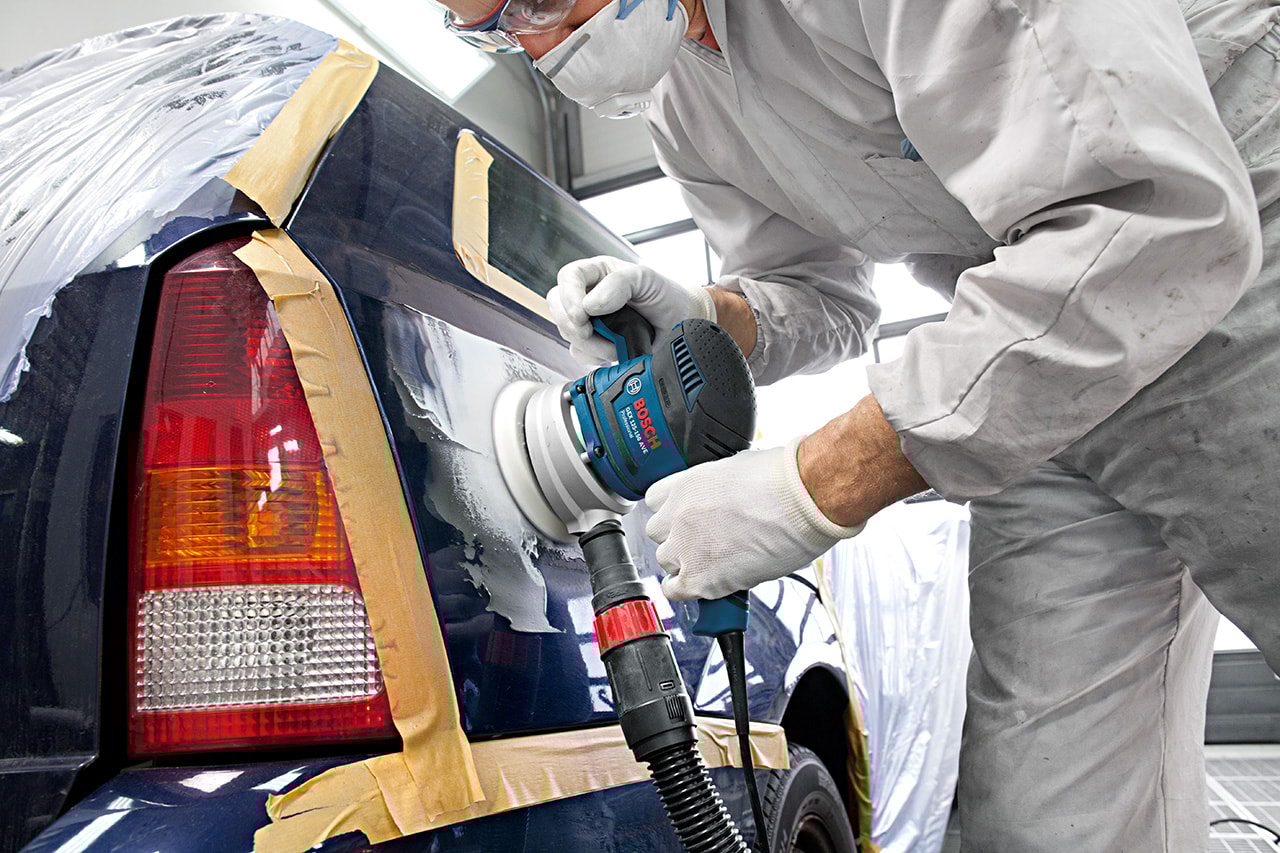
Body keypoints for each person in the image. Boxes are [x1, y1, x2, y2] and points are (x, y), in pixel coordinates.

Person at [439, 0, 1280, 848]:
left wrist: (811, 484)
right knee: (1046, 817)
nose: (539, 49)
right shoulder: (685, 108)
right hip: (1021, 366)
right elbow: (827, 299)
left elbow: (1154, 213)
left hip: (1234, 235)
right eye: (491, 31)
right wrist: (709, 313)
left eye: (539, 2)